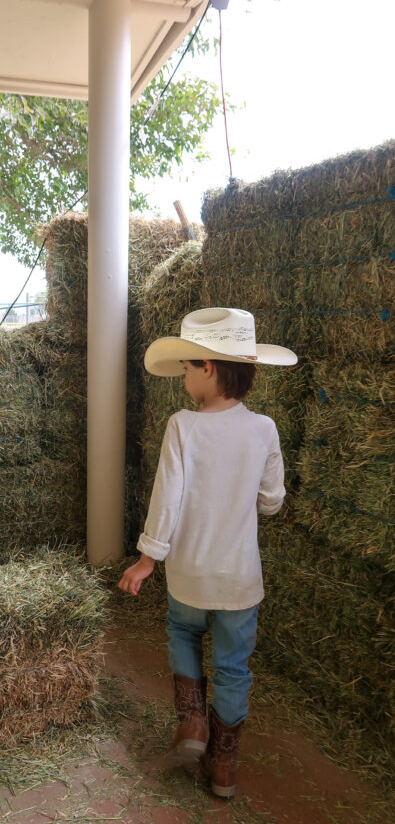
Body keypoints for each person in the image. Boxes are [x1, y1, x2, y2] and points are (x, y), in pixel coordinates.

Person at [119, 307, 297, 798]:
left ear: (210, 368)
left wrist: (148, 559)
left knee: (182, 631)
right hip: (240, 579)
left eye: (186, 368)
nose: (183, 378)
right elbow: (272, 501)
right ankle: (223, 767)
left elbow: (167, 498)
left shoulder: (184, 426)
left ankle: (192, 722)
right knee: (234, 667)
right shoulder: (264, 429)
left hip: (190, 574)